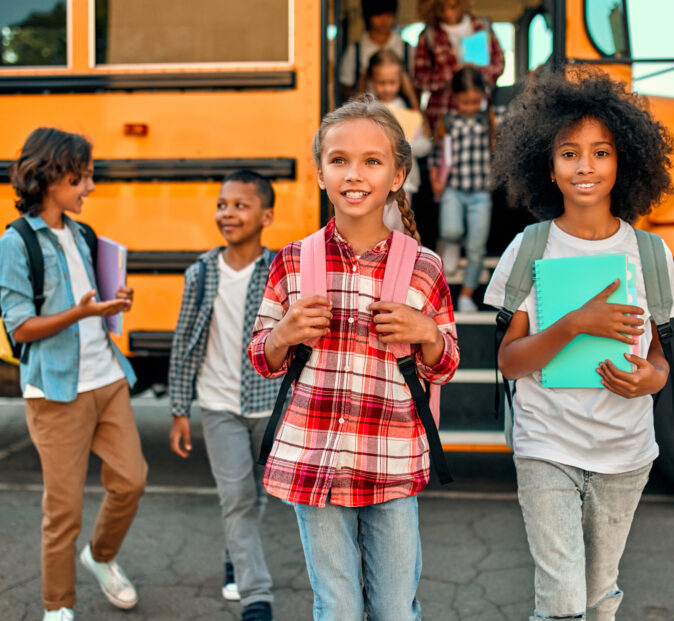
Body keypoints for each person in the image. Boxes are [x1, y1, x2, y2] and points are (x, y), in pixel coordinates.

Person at [248, 94, 460, 621]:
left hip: (390, 460)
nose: (354, 173)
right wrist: (285, 334)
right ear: (321, 173)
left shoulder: (424, 268)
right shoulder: (292, 261)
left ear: (397, 174)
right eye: (339, 160)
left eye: (372, 160)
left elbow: (446, 362)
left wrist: (426, 333)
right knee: (336, 607)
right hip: (313, 459)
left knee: (394, 609)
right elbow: (261, 355)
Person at [483, 68, 674, 621]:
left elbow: (662, 356)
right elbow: (509, 361)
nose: (586, 167)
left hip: (626, 452)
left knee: (599, 596)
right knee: (563, 600)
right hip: (547, 445)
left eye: (601, 152)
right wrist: (572, 323)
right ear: (548, 166)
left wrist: (652, 378)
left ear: (624, 162)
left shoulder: (651, 254)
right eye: (569, 153)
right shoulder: (531, 248)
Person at [0, 128, 147, 621]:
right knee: (63, 512)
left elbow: (92, 305)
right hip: (56, 391)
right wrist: (79, 314)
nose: (90, 188)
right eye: (82, 177)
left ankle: (100, 557)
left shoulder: (83, 235)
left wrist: (111, 307)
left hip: (106, 379)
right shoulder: (16, 244)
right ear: (51, 177)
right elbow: (20, 326)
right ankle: (57, 606)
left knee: (132, 481)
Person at [167, 170, 280, 621]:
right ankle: (257, 597)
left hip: (270, 405)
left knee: (258, 494)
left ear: (266, 215)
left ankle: (237, 551)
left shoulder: (280, 271)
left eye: (240, 205)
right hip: (218, 407)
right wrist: (179, 410)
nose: (227, 213)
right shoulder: (200, 273)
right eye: (221, 205)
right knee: (236, 498)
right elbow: (184, 343)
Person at [430, 66, 495, 312]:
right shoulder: (448, 121)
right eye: (465, 102)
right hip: (453, 189)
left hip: (480, 192)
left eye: (475, 101)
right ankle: (453, 243)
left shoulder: (487, 118)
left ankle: (467, 294)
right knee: (451, 230)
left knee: (478, 246)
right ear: (454, 98)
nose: (470, 106)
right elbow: (438, 155)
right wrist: (437, 181)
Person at [358, 48, 433, 233]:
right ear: (371, 80)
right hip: (371, 181)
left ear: (401, 80)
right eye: (381, 82)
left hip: (404, 182)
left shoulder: (410, 109)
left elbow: (426, 145)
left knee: (398, 232)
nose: (387, 87)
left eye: (392, 82)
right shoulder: (363, 109)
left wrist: (402, 147)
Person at [413, 0, 505, 131]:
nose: (447, 13)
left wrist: (477, 71)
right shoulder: (429, 35)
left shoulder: (482, 27)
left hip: (480, 113)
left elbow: (499, 64)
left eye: (452, 7)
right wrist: (450, 73)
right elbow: (420, 79)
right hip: (442, 115)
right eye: (440, 9)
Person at [337, 0, 414, 103]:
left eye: (388, 15)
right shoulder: (355, 51)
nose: (384, 20)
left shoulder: (406, 48)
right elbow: (345, 88)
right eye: (378, 15)